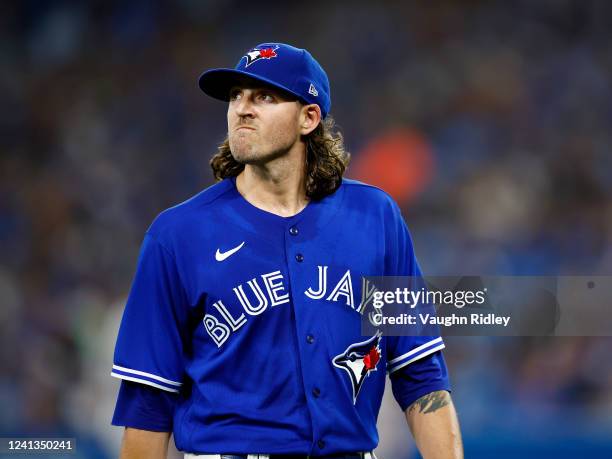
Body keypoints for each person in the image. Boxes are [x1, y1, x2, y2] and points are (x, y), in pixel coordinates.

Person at [111, 42, 463, 459]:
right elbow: (149, 403)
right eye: (235, 96)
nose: (242, 108)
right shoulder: (177, 235)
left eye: (263, 96)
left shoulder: (375, 218)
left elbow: (419, 374)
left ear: (309, 117)